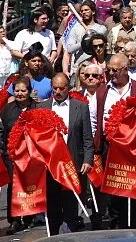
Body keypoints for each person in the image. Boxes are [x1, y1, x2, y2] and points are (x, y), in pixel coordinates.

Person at [89, 53, 136, 229]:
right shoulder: (102, 91)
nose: (111, 73)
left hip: (133, 148)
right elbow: (93, 118)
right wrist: (97, 141)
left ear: (125, 69)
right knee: (112, 190)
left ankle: (131, 227)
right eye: (109, 70)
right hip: (110, 147)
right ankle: (116, 226)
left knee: (131, 189)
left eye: (115, 70)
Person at [37, 73, 94, 235]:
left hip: (73, 164)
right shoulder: (42, 108)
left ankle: (67, 236)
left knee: (71, 206)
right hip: (51, 167)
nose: (58, 91)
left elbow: (87, 137)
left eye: (62, 88)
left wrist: (88, 160)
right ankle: (54, 236)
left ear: (68, 88)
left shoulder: (81, 107)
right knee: (53, 206)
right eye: (54, 88)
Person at [0, 76, 36, 234]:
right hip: (12, 155)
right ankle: (14, 219)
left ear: (29, 91)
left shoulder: (37, 107)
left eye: (23, 90)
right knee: (13, 186)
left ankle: (28, 216)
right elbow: (2, 132)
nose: (20, 93)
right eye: (17, 91)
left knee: (29, 185)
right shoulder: (8, 109)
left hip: (30, 154)